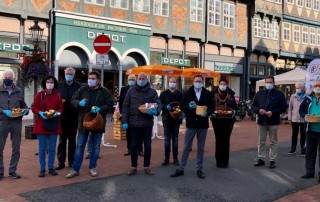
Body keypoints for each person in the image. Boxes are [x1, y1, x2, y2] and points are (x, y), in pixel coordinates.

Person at [66, 71, 113, 178]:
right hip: (84, 122)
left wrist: (101, 109)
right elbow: (73, 100)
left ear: (98, 81)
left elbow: (110, 104)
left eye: (93, 78)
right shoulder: (83, 89)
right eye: (89, 78)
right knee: (80, 146)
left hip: (98, 122)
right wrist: (79, 103)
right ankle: (75, 169)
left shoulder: (104, 91)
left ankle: (93, 167)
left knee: (95, 146)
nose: (90, 80)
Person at [170, 75, 214, 179]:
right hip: (191, 124)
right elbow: (182, 106)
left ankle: (199, 169)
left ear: (202, 82)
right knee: (186, 147)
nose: (198, 83)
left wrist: (207, 113)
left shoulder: (207, 93)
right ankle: (181, 168)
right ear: (193, 82)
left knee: (200, 148)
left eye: (199, 81)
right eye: (196, 81)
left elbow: (212, 107)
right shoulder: (188, 92)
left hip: (203, 124)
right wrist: (189, 106)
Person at [122, 72, 161, 176]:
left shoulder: (152, 92)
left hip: (147, 123)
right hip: (133, 124)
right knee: (133, 146)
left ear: (147, 80)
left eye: (143, 78)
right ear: (136, 79)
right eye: (140, 78)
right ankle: (133, 167)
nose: (141, 80)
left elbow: (158, 104)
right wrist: (124, 121)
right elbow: (125, 107)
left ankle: (147, 166)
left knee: (147, 146)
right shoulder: (131, 91)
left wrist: (156, 111)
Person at [251, 76, 287, 169]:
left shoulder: (279, 94)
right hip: (261, 121)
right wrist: (259, 110)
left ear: (274, 83)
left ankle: (272, 160)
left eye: (270, 82)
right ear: (265, 83)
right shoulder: (259, 93)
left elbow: (284, 107)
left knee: (273, 142)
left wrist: (273, 112)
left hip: (273, 121)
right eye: (267, 82)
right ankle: (261, 158)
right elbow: (253, 106)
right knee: (261, 141)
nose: (269, 84)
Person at [32, 75, 63, 177]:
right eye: (48, 82)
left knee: (52, 148)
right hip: (41, 124)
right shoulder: (39, 94)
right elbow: (34, 107)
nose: (50, 84)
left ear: (54, 84)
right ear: (45, 83)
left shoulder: (58, 95)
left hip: (53, 123)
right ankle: (42, 169)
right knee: (42, 148)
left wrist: (57, 113)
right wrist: (40, 113)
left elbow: (60, 108)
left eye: (52, 82)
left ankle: (51, 167)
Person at [0, 69, 29, 180]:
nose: (7, 79)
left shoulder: (19, 91)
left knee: (16, 147)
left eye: (9, 78)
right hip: (2, 121)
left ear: (13, 79)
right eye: (5, 77)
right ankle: (0, 171)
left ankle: (12, 170)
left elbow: (24, 105)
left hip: (16, 122)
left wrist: (26, 110)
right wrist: (3, 111)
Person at [55, 67, 82, 170]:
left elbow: (80, 99)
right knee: (62, 140)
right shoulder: (59, 86)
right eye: (67, 74)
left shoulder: (79, 86)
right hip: (62, 117)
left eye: (71, 74)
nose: (69, 75)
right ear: (64, 74)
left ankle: (71, 161)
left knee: (72, 140)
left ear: (74, 75)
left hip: (74, 117)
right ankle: (61, 162)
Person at [211, 78, 237, 168]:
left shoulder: (231, 94)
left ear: (227, 85)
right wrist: (212, 113)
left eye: (224, 84)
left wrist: (232, 108)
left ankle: (225, 162)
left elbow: (235, 107)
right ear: (218, 84)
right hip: (217, 120)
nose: (222, 85)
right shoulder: (213, 93)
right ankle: (218, 161)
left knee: (226, 140)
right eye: (221, 83)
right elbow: (210, 106)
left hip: (228, 120)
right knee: (218, 140)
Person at [299, 80, 320, 182]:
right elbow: (301, 110)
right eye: (316, 85)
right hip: (310, 130)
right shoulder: (308, 98)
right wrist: (305, 116)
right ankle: (309, 172)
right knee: (310, 152)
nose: (317, 87)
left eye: (319, 85)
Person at [159, 77, 183, 166]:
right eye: (171, 82)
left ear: (176, 83)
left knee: (175, 140)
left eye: (174, 82)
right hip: (166, 119)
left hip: (176, 120)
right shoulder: (163, 94)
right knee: (167, 140)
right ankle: (166, 158)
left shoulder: (180, 94)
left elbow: (183, 105)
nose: (172, 83)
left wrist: (181, 112)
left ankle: (175, 158)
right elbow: (159, 105)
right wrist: (165, 107)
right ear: (168, 83)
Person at [118, 74, 143, 156]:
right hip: (127, 114)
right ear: (127, 80)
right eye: (130, 79)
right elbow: (121, 102)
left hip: (138, 114)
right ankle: (129, 149)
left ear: (135, 80)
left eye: (133, 79)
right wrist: (122, 113)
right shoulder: (123, 89)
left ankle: (140, 149)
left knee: (139, 132)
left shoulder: (139, 88)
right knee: (128, 133)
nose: (131, 81)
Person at [288, 82, 306, 155]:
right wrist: (289, 118)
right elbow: (290, 108)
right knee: (294, 134)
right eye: (296, 88)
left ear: (302, 88)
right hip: (294, 118)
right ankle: (293, 148)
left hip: (303, 119)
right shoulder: (293, 96)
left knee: (303, 134)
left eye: (299, 87)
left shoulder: (306, 96)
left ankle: (303, 149)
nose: (297, 89)